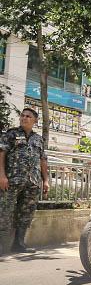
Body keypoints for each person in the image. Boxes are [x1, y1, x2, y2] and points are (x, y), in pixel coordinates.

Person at [0, 108, 50, 255]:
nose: (24, 118)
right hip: (12, 180)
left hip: (32, 182)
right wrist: (2, 176)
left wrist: (46, 180)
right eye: (22, 115)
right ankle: (2, 246)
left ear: (35, 121)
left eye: (28, 116)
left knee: (26, 213)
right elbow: (1, 154)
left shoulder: (38, 139)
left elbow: (43, 160)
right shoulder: (11, 134)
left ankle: (19, 244)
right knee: (5, 212)